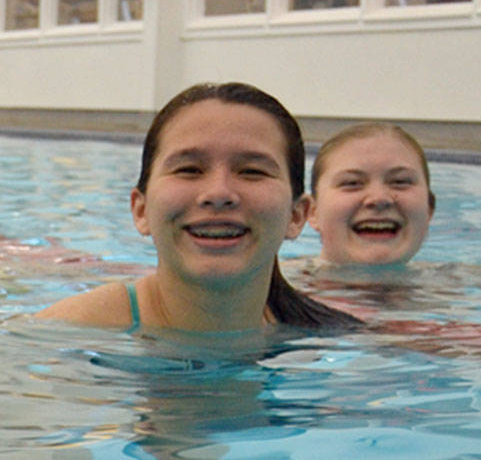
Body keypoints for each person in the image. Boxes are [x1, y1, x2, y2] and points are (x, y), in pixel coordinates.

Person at [36, 82, 360, 333]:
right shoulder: (64, 338)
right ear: (140, 210)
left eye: (252, 171)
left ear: (296, 215)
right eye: (189, 169)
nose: (218, 193)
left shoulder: (334, 340)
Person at [307, 122, 434, 267]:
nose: (379, 198)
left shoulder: (453, 283)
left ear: (429, 209)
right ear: (312, 212)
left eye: (400, 181)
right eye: (352, 183)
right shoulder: (279, 284)